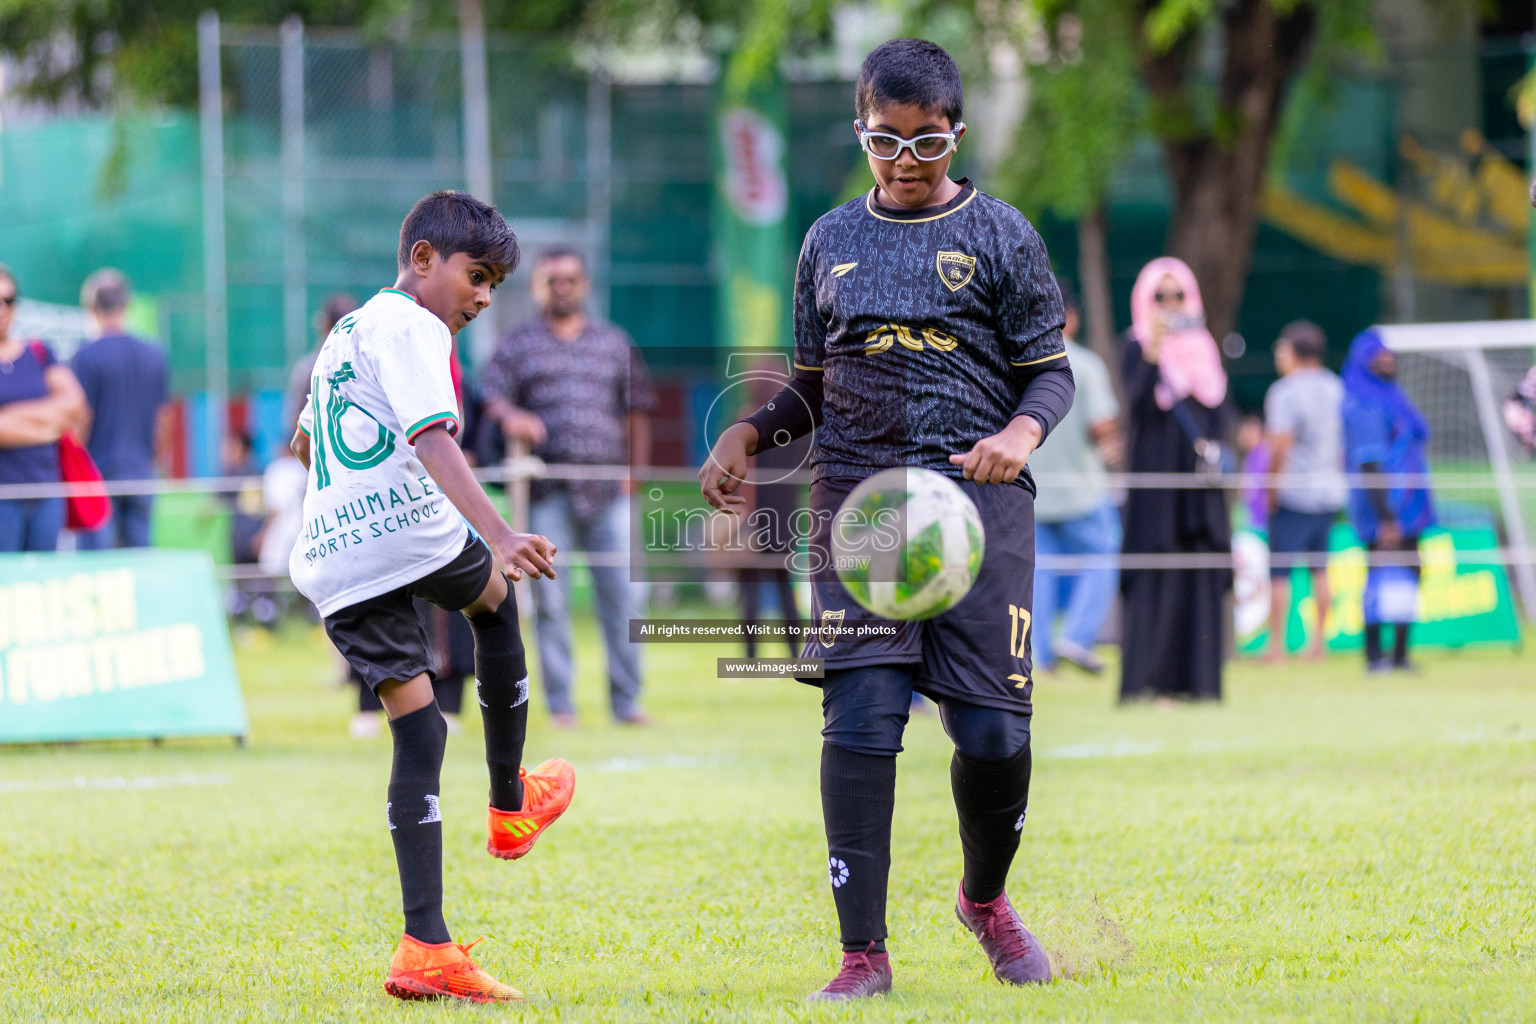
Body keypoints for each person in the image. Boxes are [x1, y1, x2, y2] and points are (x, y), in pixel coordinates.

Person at [700, 39, 1074, 999]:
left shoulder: (1002, 234)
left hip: (981, 508)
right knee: (861, 717)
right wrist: (748, 433)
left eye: (927, 144)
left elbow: (1049, 371)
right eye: (884, 142)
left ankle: (984, 900)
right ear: (861, 131)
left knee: (994, 736)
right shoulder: (828, 240)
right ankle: (862, 955)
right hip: (859, 508)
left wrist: (1020, 437)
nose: (905, 164)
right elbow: (815, 388)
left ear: (956, 133)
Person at [287, 191, 572, 1003]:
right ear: (422, 261)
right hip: (405, 527)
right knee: (496, 600)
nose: (484, 297)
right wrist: (502, 531)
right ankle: (512, 803)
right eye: (477, 277)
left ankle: (426, 947)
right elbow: (431, 436)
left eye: (493, 284)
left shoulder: (345, 332)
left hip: (336, 557)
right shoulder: (415, 325)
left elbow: (307, 440)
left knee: (417, 737)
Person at [479, 248, 656, 727]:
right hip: (547, 493)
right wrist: (512, 414)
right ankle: (561, 706)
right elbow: (489, 393)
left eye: (571, 278)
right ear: (538, 286)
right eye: (551, 279)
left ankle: (628, 702)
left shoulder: (613, 342)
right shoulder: (519, 344)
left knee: (624, 599)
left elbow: (638, 407)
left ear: (585, 284)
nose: (562, 286)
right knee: (550, 605)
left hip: (609, 491)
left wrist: (634, 475)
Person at [1118, 256, 1232, 703]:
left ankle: (1199, 684)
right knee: (1154, 573)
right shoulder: (1135, 346)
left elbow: (1220, 415)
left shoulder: (1205, 349)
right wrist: (1153, 352)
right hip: (1156, 485)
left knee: (1199, 570)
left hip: (1199, 490)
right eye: (1158, 296)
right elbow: (1139, 408)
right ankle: (1146, 683)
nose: (1168, 305)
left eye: (1177, 295)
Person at [1028, 281, 1122, 675]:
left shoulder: (1019, 360)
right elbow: (1101, 426)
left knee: (1041, 572)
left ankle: (1041, 655)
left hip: (1032, 490)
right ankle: (1078, 637)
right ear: (1074, 316)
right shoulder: (1083, 363)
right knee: (1105, 553)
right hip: (1082, 490)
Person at [1341, 329, 1434, 673]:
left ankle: (1399, 655)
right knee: (1380, 578)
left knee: (1410, 574)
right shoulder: (1362, 403)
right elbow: (1368, 464)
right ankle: (1374, 656)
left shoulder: (1392, 396)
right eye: (1379, 357)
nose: (1388, 362)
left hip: (1408, 508)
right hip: (1385, 510)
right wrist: (1387, 517)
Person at [1262, 321, 1346, 663]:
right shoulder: (1337, 387)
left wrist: (1271, 488)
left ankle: (1276, 648)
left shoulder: (1286, 391)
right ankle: (1317, 646)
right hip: (1330, 492)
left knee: (1279, 572)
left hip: (1295, 494)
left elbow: (1280, 446)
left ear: (1295, 352)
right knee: (1320, 569)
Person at [72, 269, 170, 549]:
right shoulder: (154, 353)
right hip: (141, 473)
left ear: (92, 306)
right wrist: (153, 461)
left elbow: (82, 418)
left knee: (99, 572)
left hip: (97, 476)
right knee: (138, 564)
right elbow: (164, 419)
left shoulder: (86, 356)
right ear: (126, 304)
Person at [0, 264, 87, 552]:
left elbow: (74, 404)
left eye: (8, 300)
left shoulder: (38, 351)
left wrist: (12, 417)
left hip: (46, 492)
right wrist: (49, 427)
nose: (2, 308)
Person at [284, 293, 357, 435]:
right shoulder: (366, 364)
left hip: (318, 448)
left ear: (324, 325)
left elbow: (294, 420)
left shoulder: (310, 367)